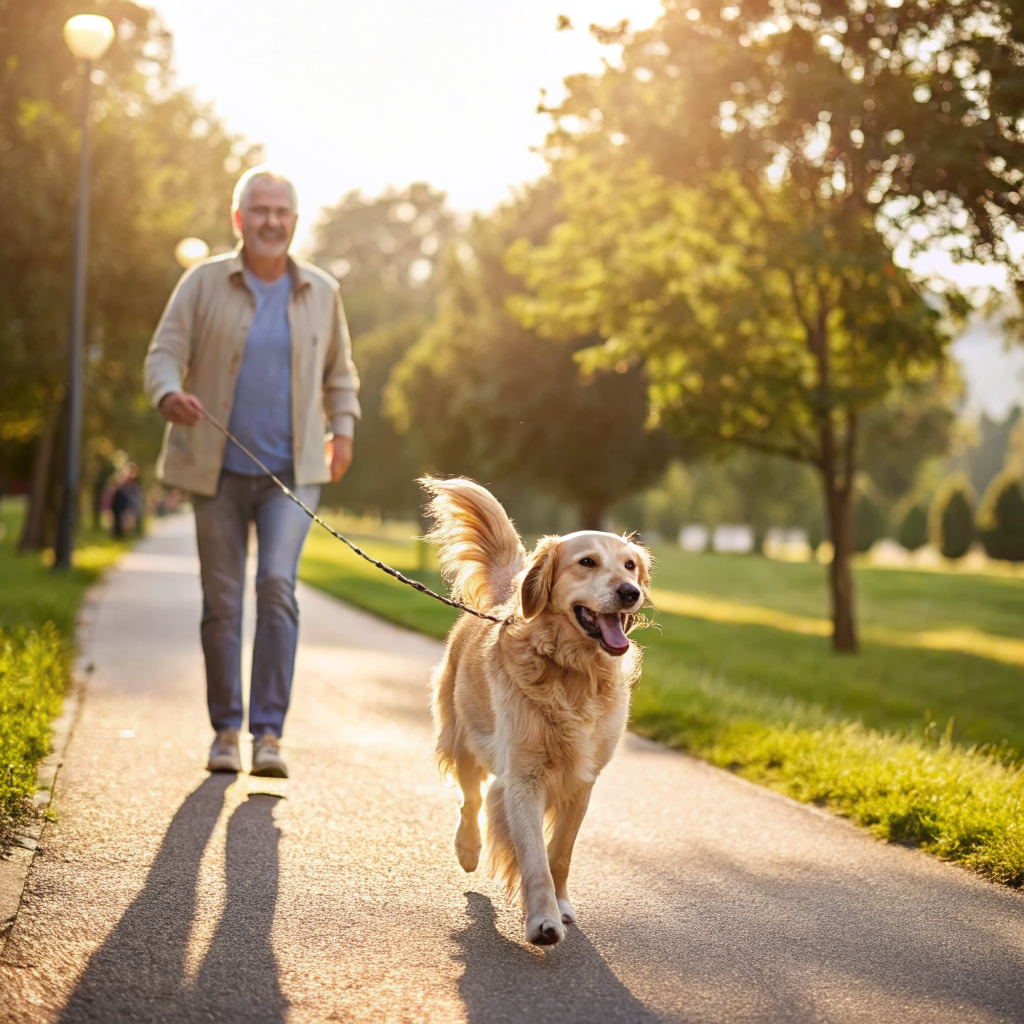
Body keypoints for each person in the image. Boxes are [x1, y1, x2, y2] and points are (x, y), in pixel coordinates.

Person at [143, 166, 360, 778]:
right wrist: (167, 395)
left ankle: (268, 735)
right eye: (259, 210)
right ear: (238, 219)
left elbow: (341, 373)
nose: (271, 221)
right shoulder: (204, 282)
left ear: (294, 220)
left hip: (292, 474)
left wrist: (343, 428)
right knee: (223, 599)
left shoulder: (322, 290)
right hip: (216, 471)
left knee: (275, 586)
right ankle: (225, 730)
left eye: (281, 211)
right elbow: (165, 353)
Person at [110, 462, 143, 538]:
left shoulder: (136, 483)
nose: (132, 473)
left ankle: (131, 535)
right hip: (123, 506)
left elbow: (137, 497)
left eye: (133, 471)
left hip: (133, 506)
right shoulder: (121, 483)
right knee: (122, 523)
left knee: (131, 523)